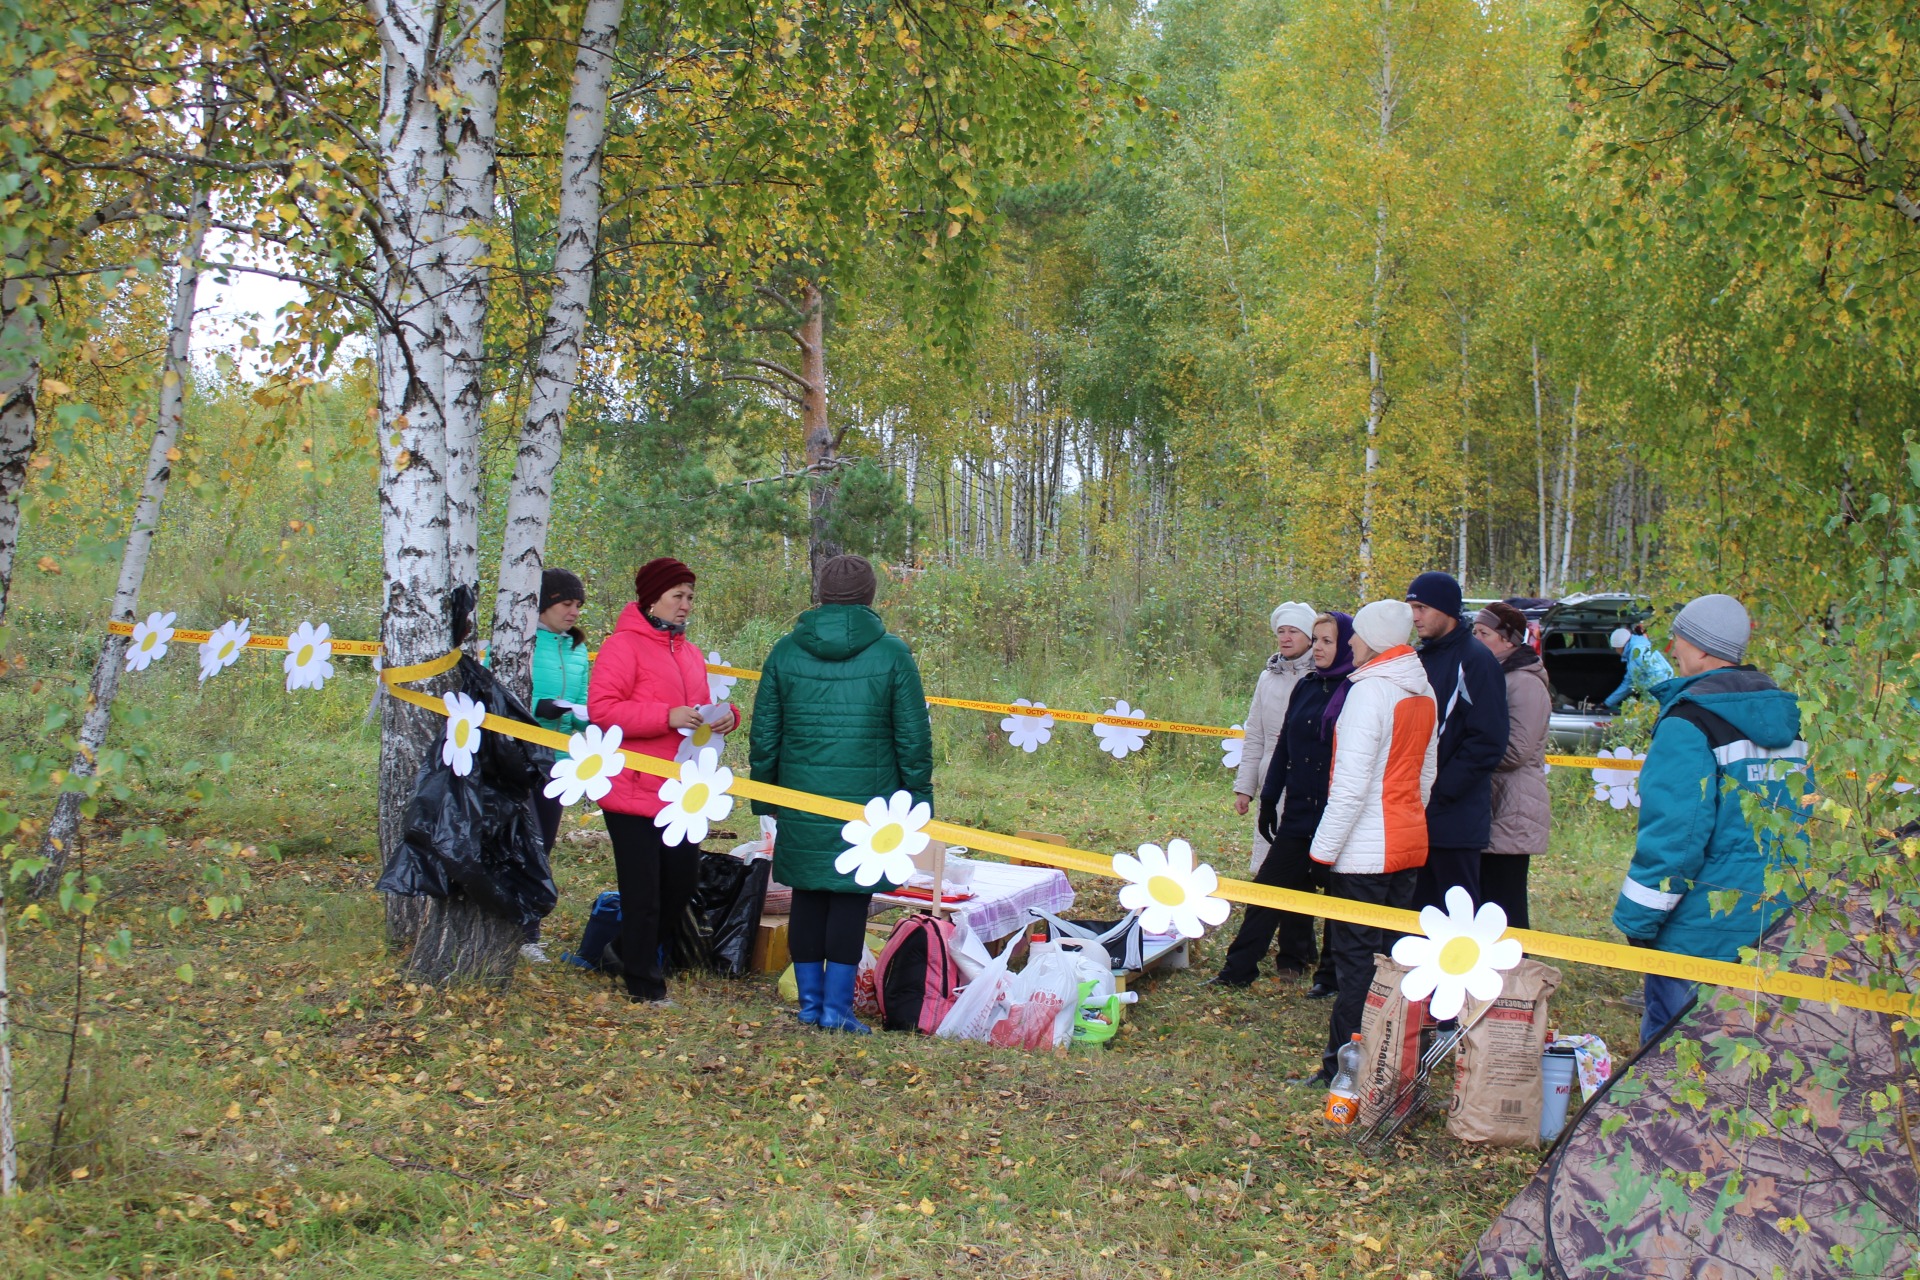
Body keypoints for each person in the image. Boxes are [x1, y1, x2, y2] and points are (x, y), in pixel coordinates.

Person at [1611, 594, 1807, 1045]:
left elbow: (1674, 839)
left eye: (1677, 638)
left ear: (1702, 649)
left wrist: (1637, 922)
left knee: (1675, 1064)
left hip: (1697, 933)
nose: (1671, 648)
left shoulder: (1688, 721)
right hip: (1778, 924)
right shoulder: (1792, 721)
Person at [750, 554, 932, 1034]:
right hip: (869, 803)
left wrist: (765, 796)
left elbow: (764, 733)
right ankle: (836, 1010)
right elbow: (912, 734)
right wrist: (918, 796)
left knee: (807, 893)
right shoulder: (893, 653)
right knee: (851, 898)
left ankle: (810, 1006)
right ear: (870, 596)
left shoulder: (784, 652)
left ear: (821, 593)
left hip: (801, 796)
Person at [587, 556, 740, 1006]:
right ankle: (644, 984)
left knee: (680, 883)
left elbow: (699, 710)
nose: (686, 604)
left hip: (680, 792)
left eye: (691, 596)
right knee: (644, 893)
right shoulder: (622, 646)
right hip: (630, 790)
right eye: (678, 595)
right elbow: (603, 711)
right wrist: (663, 717)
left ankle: (618, 951)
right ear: (651, 598)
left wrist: (725, 716)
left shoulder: (689, 652)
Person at [1307, 600, 1437, 1084]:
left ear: (1375, 639)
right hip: (1407, 843)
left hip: (1365, 850)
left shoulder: (1369, 693)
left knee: (1355, 964)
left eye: (1356, 635)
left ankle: (1340, 1070)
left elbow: (1350, 785)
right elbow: (1427, 774)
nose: (1351, 643)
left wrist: (1322, 852)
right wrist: (1408, 821)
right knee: (1394, 959)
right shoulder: (1423, 691)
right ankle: (1394, 1060)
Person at [1212, 611, 1354, 990]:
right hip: (1298, 812)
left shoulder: (1356, 690)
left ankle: (1327, 977)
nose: (1320, 647)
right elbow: (1282, 747)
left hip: (1338, 815)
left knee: (1337, 900)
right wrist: (1268, 798)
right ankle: (1237, 971)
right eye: (1318, 639)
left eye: (1327, 641)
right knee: (1267, 890)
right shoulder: (1307, 686)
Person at [1406, 571, 1508, 911]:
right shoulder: (1420, 658)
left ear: (1447, 609)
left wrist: (1439, 789)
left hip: (1455, 821)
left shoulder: (1476, 661)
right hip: (1415, 815)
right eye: (1411, 608)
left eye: (1421, 607)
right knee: (1416, 913)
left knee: (1455, 917)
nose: (1415, 616)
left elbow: (1488, 741)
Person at [518, 568, 592, 964]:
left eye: (579, 605)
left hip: (559, 761)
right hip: (520, 754)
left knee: (542, 844)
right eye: (567, 604)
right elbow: (500, 693)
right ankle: (507, 921)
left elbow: (581, 699)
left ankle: (529, 931)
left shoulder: (577, 648)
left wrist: (589, 718)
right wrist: (536, 710)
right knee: (520, 840)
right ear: (544, 604)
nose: (574, 612)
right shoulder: (520, 643)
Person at [1471, 602, 1551, 929]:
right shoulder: (1496, 675)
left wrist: (1467, 754)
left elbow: (1517, 750)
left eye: (1484, 633)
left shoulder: (1524, 682)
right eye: (1473, 632)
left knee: (1506, 905)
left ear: (1508, 640)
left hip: (1513, 807)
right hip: (1495, 803)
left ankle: (1518, 973)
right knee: (1486, 900)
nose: (1476, 639)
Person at [1234, 601, 1319, 879]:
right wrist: (1245, 787)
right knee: (1267, 859)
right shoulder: (1267, 678)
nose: (1286, 637)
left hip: (1306, 780)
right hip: (1271, 777)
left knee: (1298, 863)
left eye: (1293, 631)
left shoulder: (1320, 678)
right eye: (1281, 631)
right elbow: (1255, 735)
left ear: (1309, 637)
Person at [1603, 622, 1675, 710]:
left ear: (1619, 646)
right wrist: (1606, 704)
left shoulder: (1638, 650)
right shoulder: (1632, 656)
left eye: (1615, 649)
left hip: (1661, 700)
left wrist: (1653, 702)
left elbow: (1658, 672)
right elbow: (1628, 684)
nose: (1616, 652)